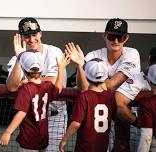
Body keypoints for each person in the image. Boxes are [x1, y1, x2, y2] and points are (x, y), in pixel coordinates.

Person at [65, 18, 141, 151]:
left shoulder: (132, 53)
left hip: (129, 117)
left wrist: (93, 80)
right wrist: (80, 65)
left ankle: (141, 125)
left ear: (126, 38)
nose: (116, 41)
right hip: (103, 119)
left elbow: (112, 84)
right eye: (112, 36)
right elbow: (84, 89)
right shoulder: (93, 55)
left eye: (120, 37)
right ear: (104, 35)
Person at [6, 17, 68, 151]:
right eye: (27, 36)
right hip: (31, 120)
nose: (31, 39)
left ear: (40, 33)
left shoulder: (54, 52)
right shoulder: (18, 57)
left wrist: (28, 81)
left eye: (34, 34)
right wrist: (19, 57)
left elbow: (53, 81)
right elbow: (11, 86)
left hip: (54, 116)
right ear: (22, 37)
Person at [0, 51, 70, 151]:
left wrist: (8, 132)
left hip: (28, 139)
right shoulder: (47, 86)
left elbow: (21, 113)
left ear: (23, 70)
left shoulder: (26, 89)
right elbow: (58, 89)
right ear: (41, 70)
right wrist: (61, 69)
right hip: (43, 137)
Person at [59, 59, 117, 152]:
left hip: (85, 147)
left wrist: (64, 140)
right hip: (103, 146)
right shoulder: (110, 95)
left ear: (86, 77)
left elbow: (76, 123)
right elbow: (114, 116)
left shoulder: (84, 96)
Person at [116, 46, 156, 152]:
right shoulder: (138, 78)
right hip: (142, 133)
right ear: (149, 61)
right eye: (154, 61)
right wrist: (139, 122)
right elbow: (119, 104)